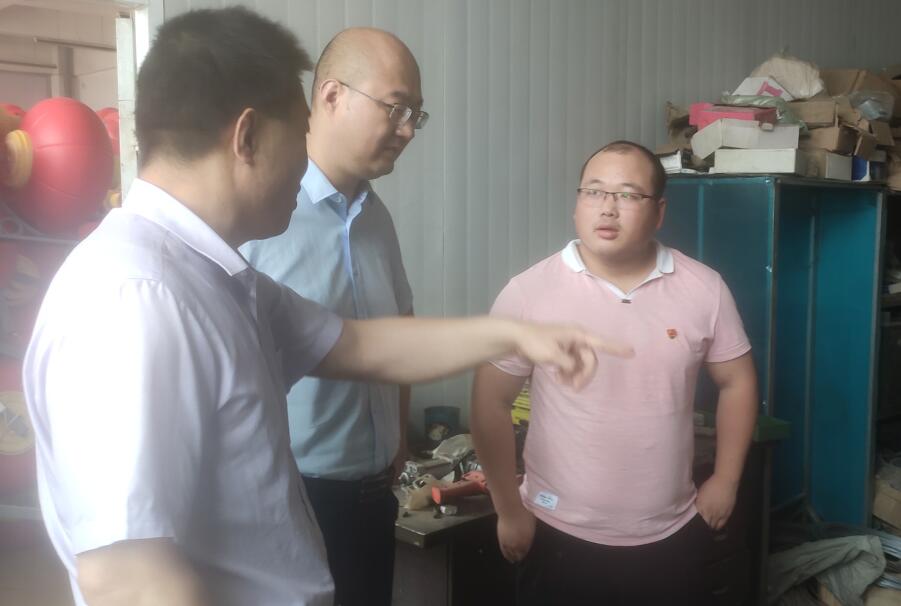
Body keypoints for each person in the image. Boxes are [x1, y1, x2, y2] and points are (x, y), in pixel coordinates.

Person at [22, 9, 626, 606]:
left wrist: (518, 336)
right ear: (247, 137)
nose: (304, 161)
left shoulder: (217, 278)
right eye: (298, 133)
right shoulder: (135, 299)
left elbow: (362, 344)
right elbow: (127, 581)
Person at [470, 141, 759, 606]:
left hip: (670, 533)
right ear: (576, 204)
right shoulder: (528, 292)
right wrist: (507, 509)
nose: (608, 208)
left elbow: (737, 382)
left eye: (628, 194)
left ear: (659, 212)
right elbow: (490, 401)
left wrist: (726, 480)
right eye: (594, 191)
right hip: (555, 529)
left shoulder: (704, 289)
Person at [240, 27, 423, 606]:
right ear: (332, 95)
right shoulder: (263, 213)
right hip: (293, 498)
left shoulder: (375, 216)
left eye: (416, 116)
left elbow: (401, 329)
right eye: (396, 108)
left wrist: (397, 439)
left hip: (373, 497)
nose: (407, 130)